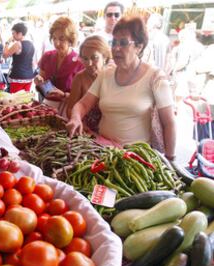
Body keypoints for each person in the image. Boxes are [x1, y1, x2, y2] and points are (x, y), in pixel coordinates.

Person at [67, 17, 176, 160]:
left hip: (136, 158)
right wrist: (76, 118)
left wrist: (170, 158)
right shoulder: (105, 75)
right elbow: (83, 104)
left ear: (139, 46)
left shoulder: (155, 78)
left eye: (123, 43)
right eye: (114, 42)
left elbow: (169, 123)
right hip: (102, 151)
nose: (116, 48)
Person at [34, 16, 84, 115]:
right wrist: (38, 80)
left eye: (61, 39)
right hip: (46, 107)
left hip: (68, 110)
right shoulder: (47, 56)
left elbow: (83, 98)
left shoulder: (80, 63)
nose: (57, 43)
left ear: (71, 39)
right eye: (54, 38)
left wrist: (63, 95)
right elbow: (41, 78)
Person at [66, 36, 111, 133]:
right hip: (87, 132)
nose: (89, 63)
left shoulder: (113, 76)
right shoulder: (79, 78)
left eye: (94, 58)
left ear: (105, 57)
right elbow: (70, 108)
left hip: (109, 132)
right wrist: (79, 122)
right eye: (85, 58)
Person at [3, 22, 35, 93]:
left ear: (20, 33)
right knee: (25, 100)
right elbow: (33, 62)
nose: (12, 36)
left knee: (15, 100)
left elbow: (5, 55)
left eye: (13, 33)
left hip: (18, 77)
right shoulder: (31, 44)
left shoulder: (18, 44)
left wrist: (7, 43)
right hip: (29, 77)